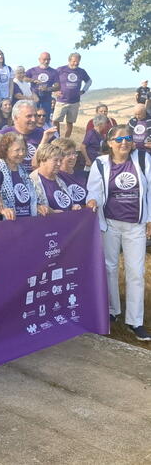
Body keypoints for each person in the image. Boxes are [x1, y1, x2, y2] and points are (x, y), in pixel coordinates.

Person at [86, 125, 151, 340]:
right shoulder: (100, 163)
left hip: (136, 226)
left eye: (128, 138)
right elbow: (93, 190)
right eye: (120, 138)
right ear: (110, 142)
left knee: (135, 272)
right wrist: (92, 200)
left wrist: (150, 219)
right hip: (110, 224)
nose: (125, 142)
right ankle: (113, 311)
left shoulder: (142, 159)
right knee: (110, 268)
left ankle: (135, 320)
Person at [0, 132, 48, 220]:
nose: (22, 153)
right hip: (3, 227)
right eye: (17, 150)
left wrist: (37, 206)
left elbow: (28, 200)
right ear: (5, 151)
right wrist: (2, 210)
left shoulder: (24, 173)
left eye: (24, 149)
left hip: (26, 225)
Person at [0, 100, 56, 169]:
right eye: (29, 116)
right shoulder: (3, 135)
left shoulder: (44, 134)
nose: (33, 119)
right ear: (15, 118)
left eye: (35, 115)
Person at [30, 143, 82, 212]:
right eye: (55, 160)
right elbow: (29, 207)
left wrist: (73, 207)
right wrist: (50, 212)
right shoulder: (31, 182)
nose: (59, 164)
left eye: (60, 160)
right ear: (43, 160)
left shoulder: (60, 181)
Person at [53, 52, 92, 138]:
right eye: (74, 61)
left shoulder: (81, 71)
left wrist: (83, 91)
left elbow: (89, 81)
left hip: (74, 102)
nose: (76, 63)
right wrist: (54, 92)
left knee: (70, 122)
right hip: (61, 100)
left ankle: (66, 140)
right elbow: (51, 80)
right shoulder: (60, 69)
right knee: (55, 120)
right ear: (69, 60)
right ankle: (57, 137)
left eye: (78, 62)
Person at [52, 137, 89, 206]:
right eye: (68, 154)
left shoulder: (83, 175)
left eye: (74, 153)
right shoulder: (54, 177)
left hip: (84, 214)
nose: (73, 157)